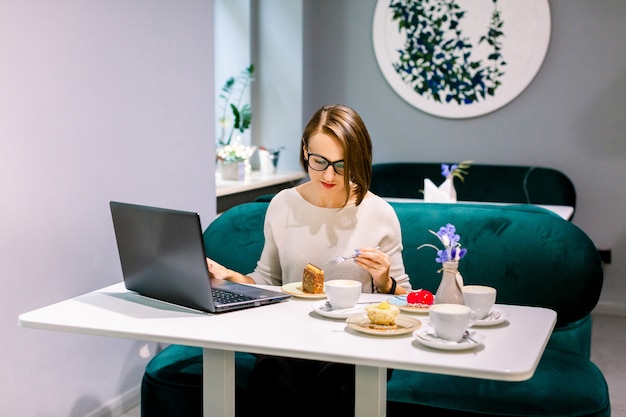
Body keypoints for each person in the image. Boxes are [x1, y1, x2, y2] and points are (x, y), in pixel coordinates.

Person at [207, 103, 412, 417]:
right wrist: (229, 276)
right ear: (305, 151)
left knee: (337, 386)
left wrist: (385, 281)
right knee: (275, 378)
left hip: (356, 341)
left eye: (342, 165)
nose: (329, 175)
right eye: (319, 161)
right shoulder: (284, 205)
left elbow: (408, 300)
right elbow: (267, 280)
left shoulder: (379, 213)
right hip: (291, 337)